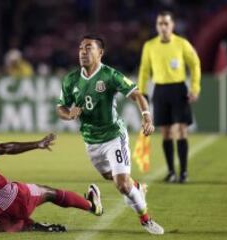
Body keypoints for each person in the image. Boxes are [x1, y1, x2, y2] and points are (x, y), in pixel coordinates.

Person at [56, 35, 164, 235]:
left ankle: (146, 219)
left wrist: (147, 117)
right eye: (81, 48)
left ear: (100, 53)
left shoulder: (110, 75)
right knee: (111, 177)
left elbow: (137, 95)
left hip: (114, 135)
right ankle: (138, 187)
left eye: (89, 48)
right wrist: (68, 114)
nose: (83, 52)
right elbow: (60, 107)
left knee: (122, 185)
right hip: (90, 140)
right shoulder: (71, 79)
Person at [0, 118, 103, 233]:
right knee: (48, 192)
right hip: (8, 198)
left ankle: (33, 227)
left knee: (17, 225)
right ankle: (92, 206)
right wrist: (37, 144)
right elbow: (5, 148)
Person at [138, 11, 201, 183]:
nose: (163, 27)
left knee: (181, 130)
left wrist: (195, 87)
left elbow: (195, 64)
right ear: (156, 26)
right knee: (165, 133)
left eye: (166, 23)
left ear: (172, 25)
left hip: (178, 90)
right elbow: (144, 70)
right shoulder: (150, 46)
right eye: (160, 23)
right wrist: (142, 92)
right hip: (160, 90)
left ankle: (184, 172)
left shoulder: (181, 43)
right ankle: (172, 172)